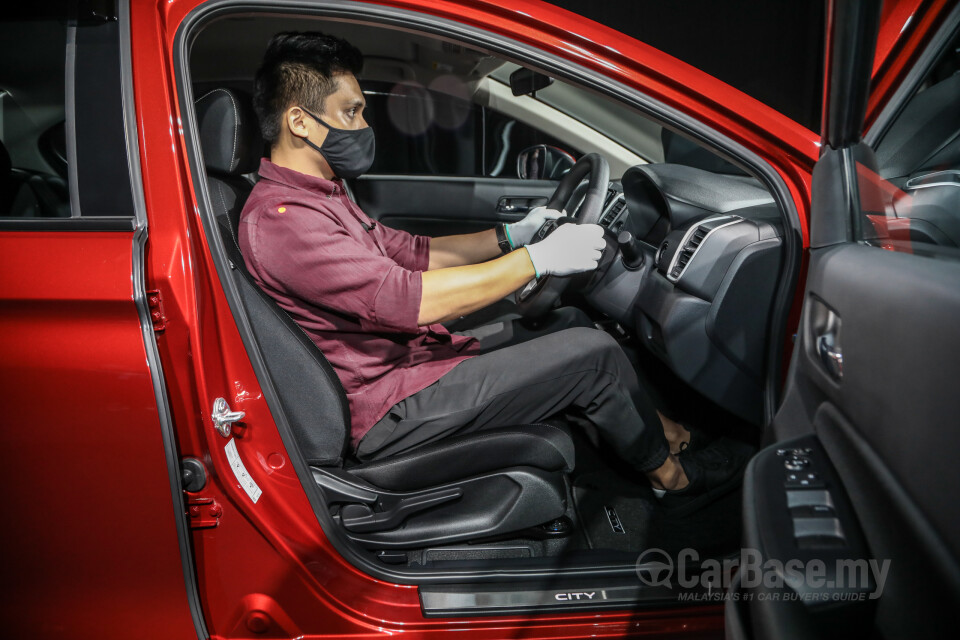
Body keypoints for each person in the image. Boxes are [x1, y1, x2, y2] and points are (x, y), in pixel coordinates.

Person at [239, 31, 750, 511]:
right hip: (387, 405)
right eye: (350, 113)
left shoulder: (321, 196)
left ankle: (666, 434)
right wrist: (538, 260)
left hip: (410, 363)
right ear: (300, 122)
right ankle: (673, 481)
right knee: (594, 354)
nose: (363, 128)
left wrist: (513, 236)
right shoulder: (283, 221)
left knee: (567, 324)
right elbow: (404, 298)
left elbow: (411, 251)